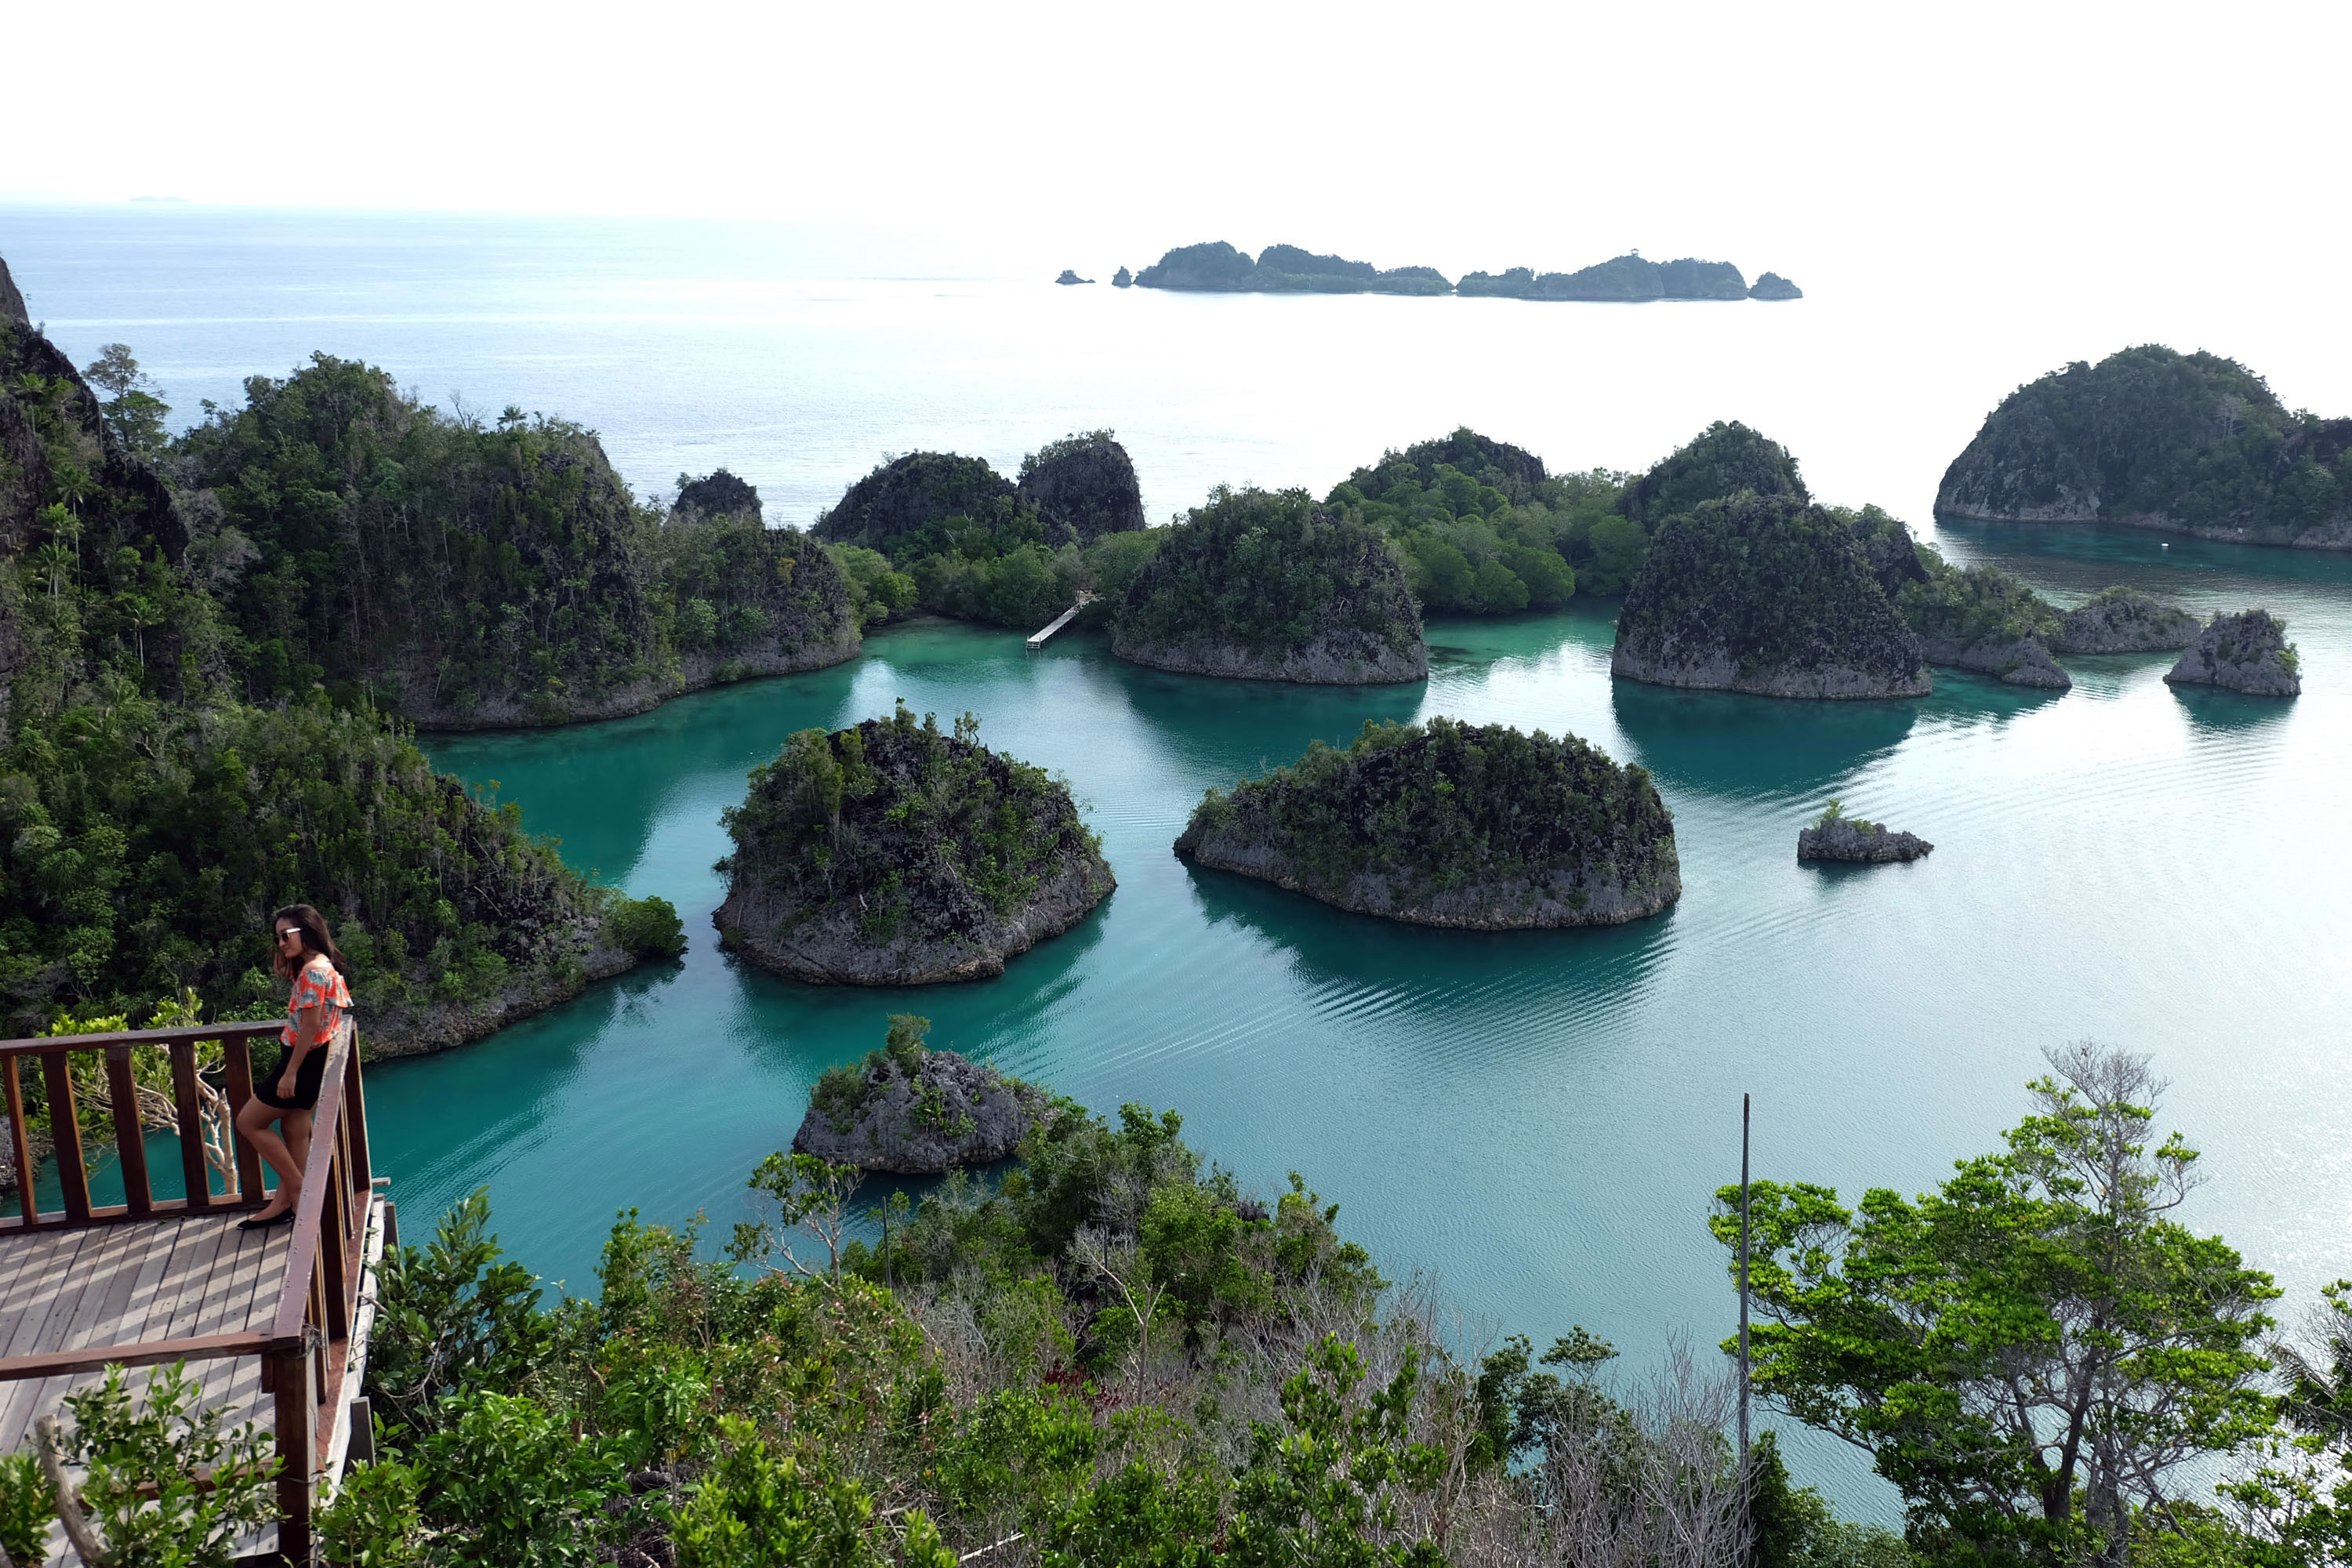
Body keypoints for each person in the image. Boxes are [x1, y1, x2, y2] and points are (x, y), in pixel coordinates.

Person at [234, 904, 352, 1229]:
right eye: (278, 937)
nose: (282, 943)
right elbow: (288, 976)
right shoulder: (322, 965)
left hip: (300, 1063)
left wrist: (290, 1073)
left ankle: (300, 1190)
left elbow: (310, 1026)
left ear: (307, 932)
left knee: (248, 1123)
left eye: (286, 936)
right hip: (314, 1063)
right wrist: (288, 953)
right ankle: (285, 1204)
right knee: (293, 1131)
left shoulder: (313, 972)